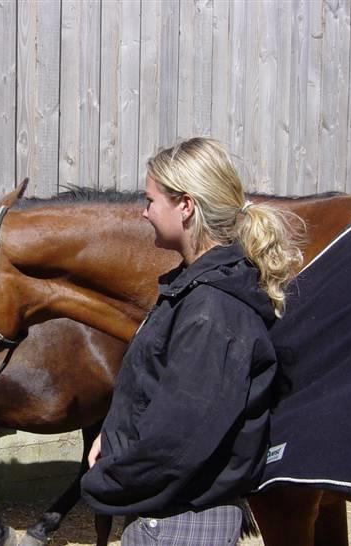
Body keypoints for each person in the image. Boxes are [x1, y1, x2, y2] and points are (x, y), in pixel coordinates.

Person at [81, 137, 304, 544]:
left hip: (181, 523)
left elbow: (179, 438)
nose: (144, 211)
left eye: (150, 200)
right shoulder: (193, 290)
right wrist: (112, 434)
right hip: (167, 513)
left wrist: (105, 480)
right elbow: (156, 389)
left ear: (185, 206)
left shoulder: (213, 310)